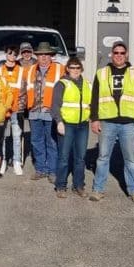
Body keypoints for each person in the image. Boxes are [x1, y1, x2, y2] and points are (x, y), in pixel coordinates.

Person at [89, 41, 134, 203]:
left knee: (130, 159)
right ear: (111, 54)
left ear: (127, 54)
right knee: (102, 157)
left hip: (129, 123)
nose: (119, 56)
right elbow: (94, 98)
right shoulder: (101, 73)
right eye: (116, 52)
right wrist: (94, 119)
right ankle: (98, 189)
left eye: (122, 53)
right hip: (107, 121)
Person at [26, 42, 65, 182]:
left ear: (51, 56)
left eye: (46, 54)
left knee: (52, 142)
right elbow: (24, 90)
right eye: (41, 54)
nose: (43, 57)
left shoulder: (60, 69)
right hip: (34, 111)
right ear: (37, 56)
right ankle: (40, 169)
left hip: (51, 112)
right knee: (36, 142)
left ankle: (52, 171)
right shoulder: (30, 70)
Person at [52, 56, 90, 198]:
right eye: (72, 67)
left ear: (81, 69)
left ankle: (78, 186)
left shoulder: (87, 84)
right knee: (64, 156)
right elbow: (55, 105)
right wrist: (59, 121)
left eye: (77, 68)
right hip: (67, 124)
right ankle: (60, 186)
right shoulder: (62, 84)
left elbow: (91, 103)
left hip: (83, 125)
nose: (75, 70)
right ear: (67, 69)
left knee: (80, 157)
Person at [0, 46, 26, 175]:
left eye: (15, 54)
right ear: (6, 54)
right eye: (10, 53)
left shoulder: (21, 70)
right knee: (2, 136)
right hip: (2, 108)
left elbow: (24, 90)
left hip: (16, 108)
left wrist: (20, 106)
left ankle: (16, 161)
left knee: (16, 136)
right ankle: (3, 160)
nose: (12, 56)